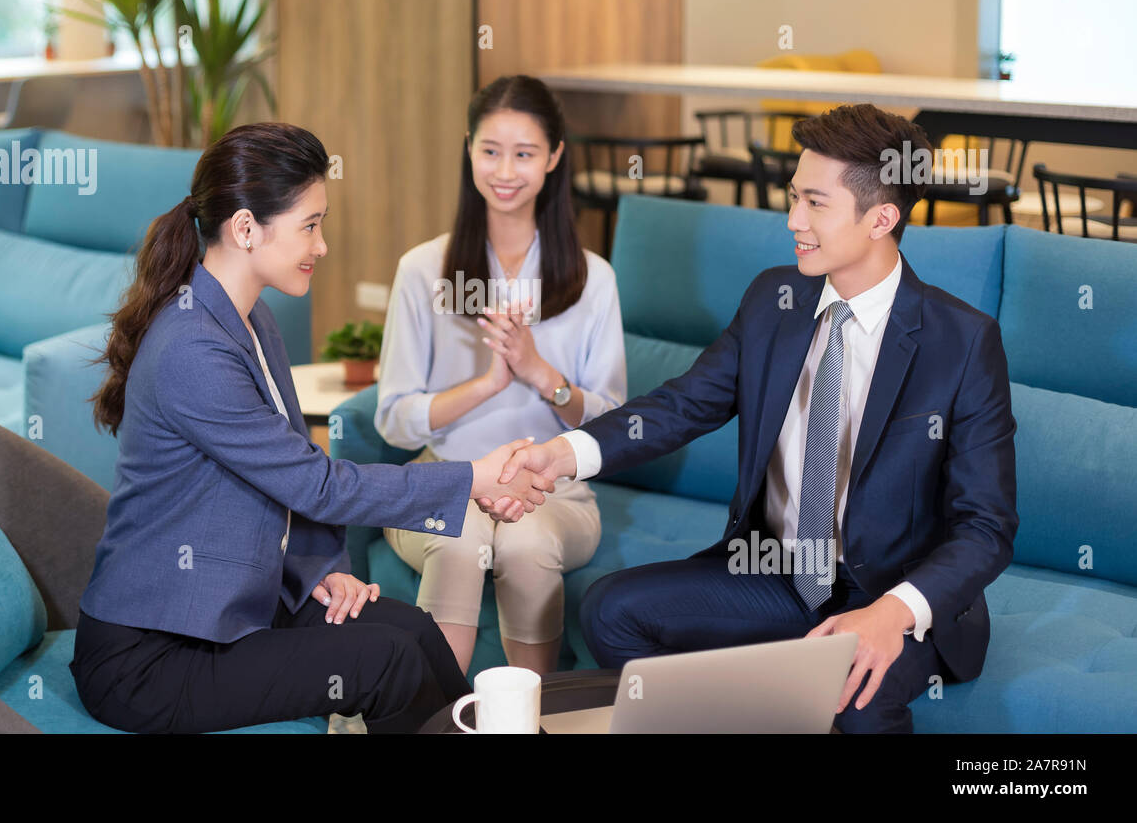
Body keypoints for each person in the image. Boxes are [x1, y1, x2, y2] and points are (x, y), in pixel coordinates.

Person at [497, 103, 1019, 733]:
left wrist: (893, 613)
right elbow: (684, 404)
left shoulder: (961, 341)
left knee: (855, 705)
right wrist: (562, 455)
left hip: (891, 595)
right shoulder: (776, 299)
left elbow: (985, 526)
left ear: (881, 217)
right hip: (773, 575)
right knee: (611, 610)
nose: (792, 220)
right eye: (793, 197)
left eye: (815, 204)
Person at [70, 122, 548, 735]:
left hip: (230, 611)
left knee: (413, 630)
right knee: (386, 661)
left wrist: (326, 571)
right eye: (310, 225)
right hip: (153, 655)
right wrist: (475, 478)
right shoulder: (192, 348)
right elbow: (317, 483)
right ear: (245, 228)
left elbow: (292, 468)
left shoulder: (253, 318)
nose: (322, 246)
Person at [376, 75, 627, 676]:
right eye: (490, 151)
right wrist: (489, 383)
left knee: (525, 540)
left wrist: (541, 374)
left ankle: (528, 714)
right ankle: (435, 717)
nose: (505, 171)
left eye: (525, 153)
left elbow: (614, 426)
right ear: (468, 150)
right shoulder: (422, 270)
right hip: (444, 480)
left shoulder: (593, 279)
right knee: (462, 540)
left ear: (555, 157)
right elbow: (393, 421)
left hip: (554, 489)